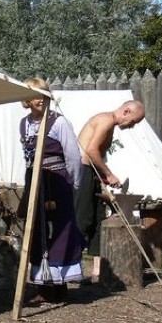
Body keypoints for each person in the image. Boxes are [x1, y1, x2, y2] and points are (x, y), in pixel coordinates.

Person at [17, 78, 86, 305]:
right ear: (27, 99)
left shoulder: (59, 123)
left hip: (57, 184)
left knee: (60, 231)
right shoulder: (24, 124)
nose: (40, 98)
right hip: (35, 183)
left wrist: (74, 185)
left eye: (43, 93)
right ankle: (43, 287)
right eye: (35, 94)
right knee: (36, 231)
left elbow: (73, 157)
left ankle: (59, 288)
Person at [74, 99, 146, 265]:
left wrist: (102, 175)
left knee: (98, 220)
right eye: (133, 122)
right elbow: (90, 151)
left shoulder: (110, 124)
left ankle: (98, 271)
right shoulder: (105, 120)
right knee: (82, 219)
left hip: (91, 173)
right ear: (126, 111)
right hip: (82, 171)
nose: (131, 126)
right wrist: (109, 174)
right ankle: (69, 268)